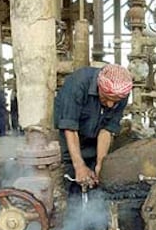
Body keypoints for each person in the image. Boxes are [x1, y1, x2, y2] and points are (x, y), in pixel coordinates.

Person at [54, 64, 133, 192]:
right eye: (106, 98)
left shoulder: (122, 92)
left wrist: (100, 164)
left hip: (94, 144)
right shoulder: (77, 84)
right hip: (71, 142)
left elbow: (106, 129)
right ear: (99, 86)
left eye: (115, 101)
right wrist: (79, 166)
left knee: (96, 184)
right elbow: (70, 128)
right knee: (70, 185)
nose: (110, 104)